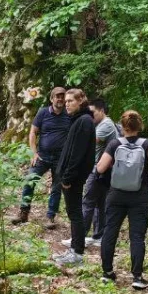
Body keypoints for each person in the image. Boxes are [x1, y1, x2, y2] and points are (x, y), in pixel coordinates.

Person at [96, 110, 148, 289]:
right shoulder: (147, 144)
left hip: (116, 194)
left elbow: (101, 168)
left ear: (122, 126)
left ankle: (107, 272)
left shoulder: (114, 144)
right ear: (139, 125)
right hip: (140, 196)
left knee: (110, 231)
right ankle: (137, 277)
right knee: (137, 236)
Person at [12, 87, 71, 229]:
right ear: (51, 99)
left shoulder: (69, 114)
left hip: (60, 158)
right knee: (30, 181)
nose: (60, 99)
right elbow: (33, 132)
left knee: (56, 187)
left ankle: (50, 217)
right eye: (57, 96)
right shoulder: (43, 112)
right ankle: (23, 213)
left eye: (62, 96)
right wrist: (34, 153)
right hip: (42, 156)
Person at [52, 89, 97, 266]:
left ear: (81, 101)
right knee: (73, 213)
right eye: (67, 101)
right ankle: (74, 250)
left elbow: (77, 154)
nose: (67, 103)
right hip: (70, 175)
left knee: (75, 213)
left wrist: (68, 178)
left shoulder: (84, 121)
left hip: (73, 177)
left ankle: (76, 253)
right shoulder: (79, 120)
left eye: (71, 100)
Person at [71, 98, 119, 250]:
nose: (91, 115)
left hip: (99, 169)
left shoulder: (105, 125)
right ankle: (98, 235)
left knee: (87, 202)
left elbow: (88, 141)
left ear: (102, 111)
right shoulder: (102, 124)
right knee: (99, 203)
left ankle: (79, 237)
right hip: (103, 169)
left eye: (93, 112)